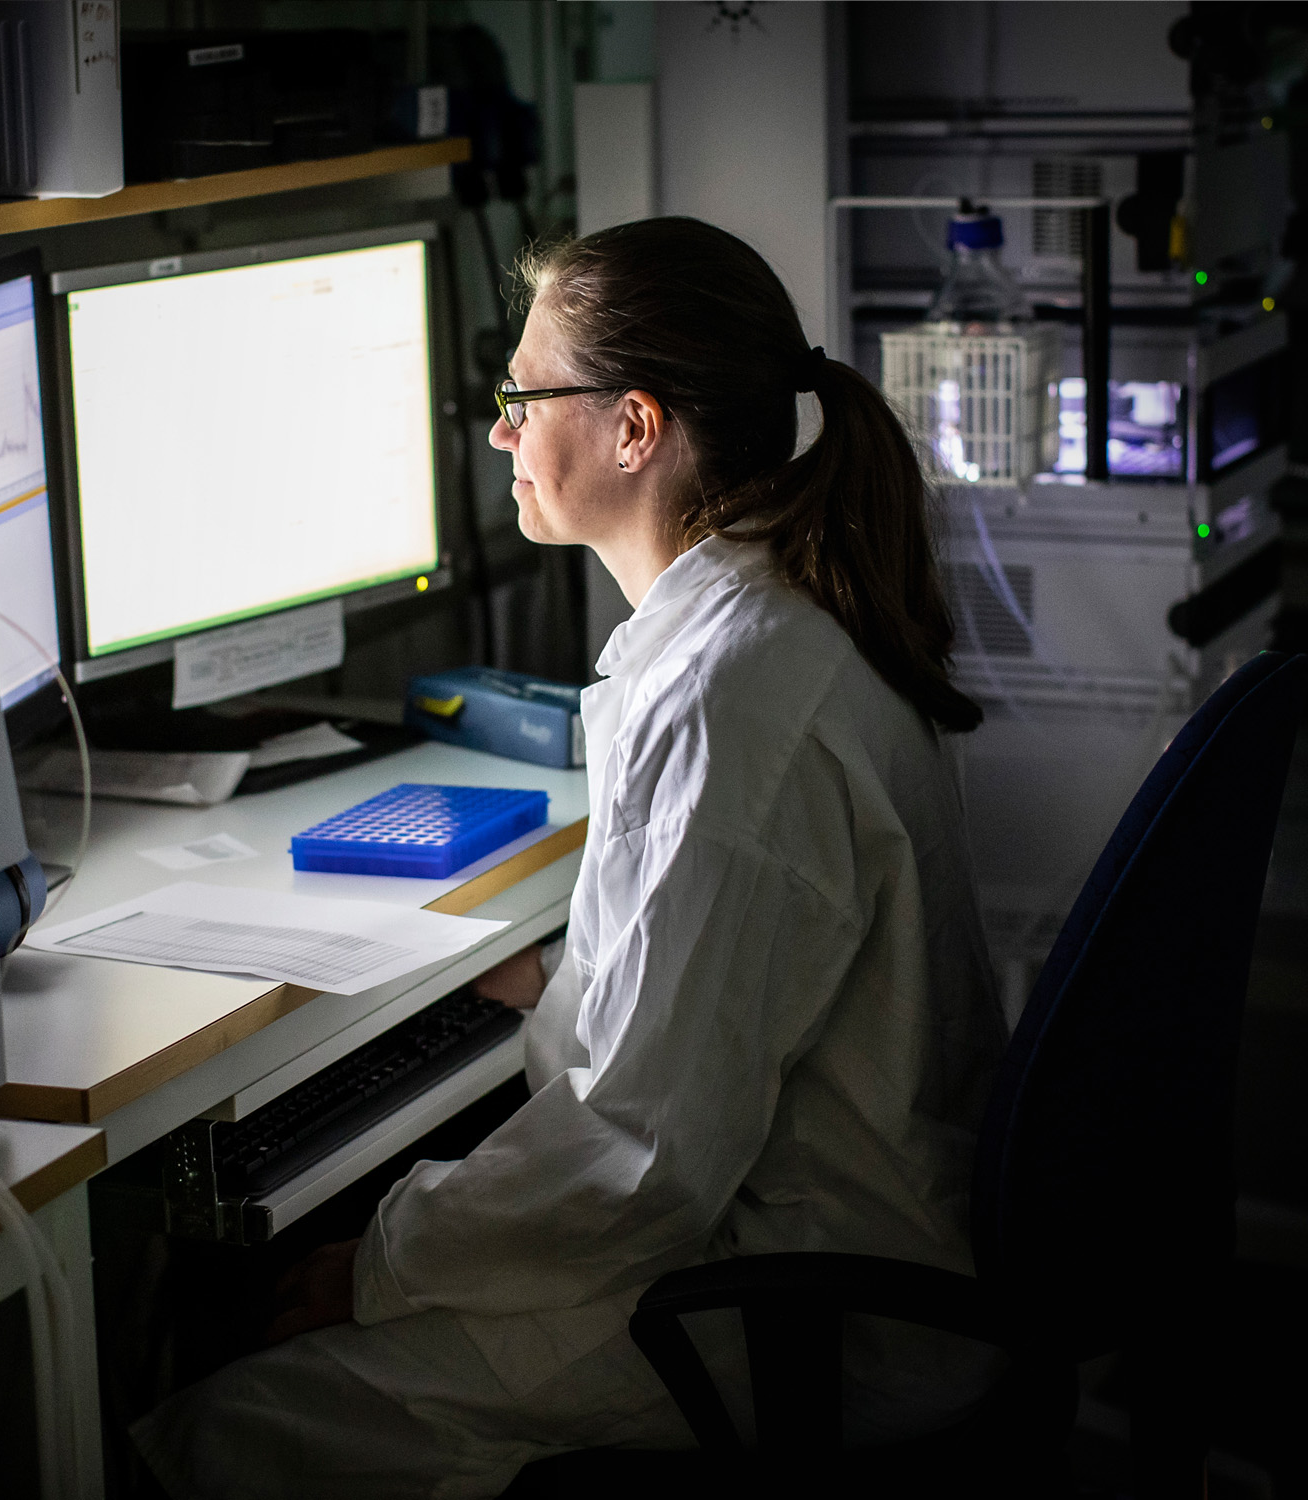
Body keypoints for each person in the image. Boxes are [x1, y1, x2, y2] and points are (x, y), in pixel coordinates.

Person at [131, 216, 1008, 1498]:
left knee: (239, 1420)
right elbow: (729, 972)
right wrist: (569, 978)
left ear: (635, 429)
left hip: (801, 1312)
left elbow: (640, 1161)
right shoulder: (770, 625)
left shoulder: (731, 702)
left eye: (522, 396)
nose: (500, 433)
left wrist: (378, 1264)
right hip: (803, 1234)